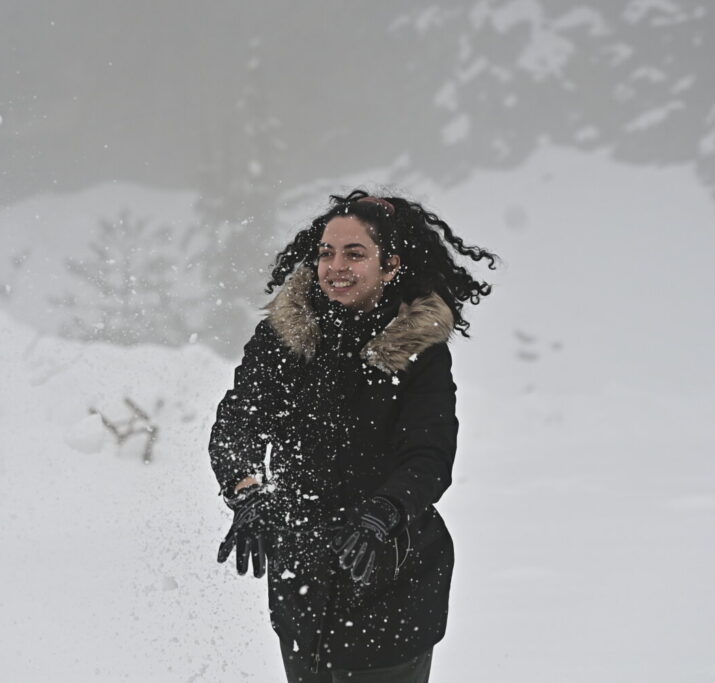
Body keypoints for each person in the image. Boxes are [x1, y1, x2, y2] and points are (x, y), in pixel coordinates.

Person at [209, 189, 498, 682]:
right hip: (301, 577)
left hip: (392, 581)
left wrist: (382, 515)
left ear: (390, 267)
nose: (335, 265)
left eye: (354, 253)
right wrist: (246, 490)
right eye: (326, 252)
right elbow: (240, 420)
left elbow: (428, 454)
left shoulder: (418, 352)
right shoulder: (286, 338)